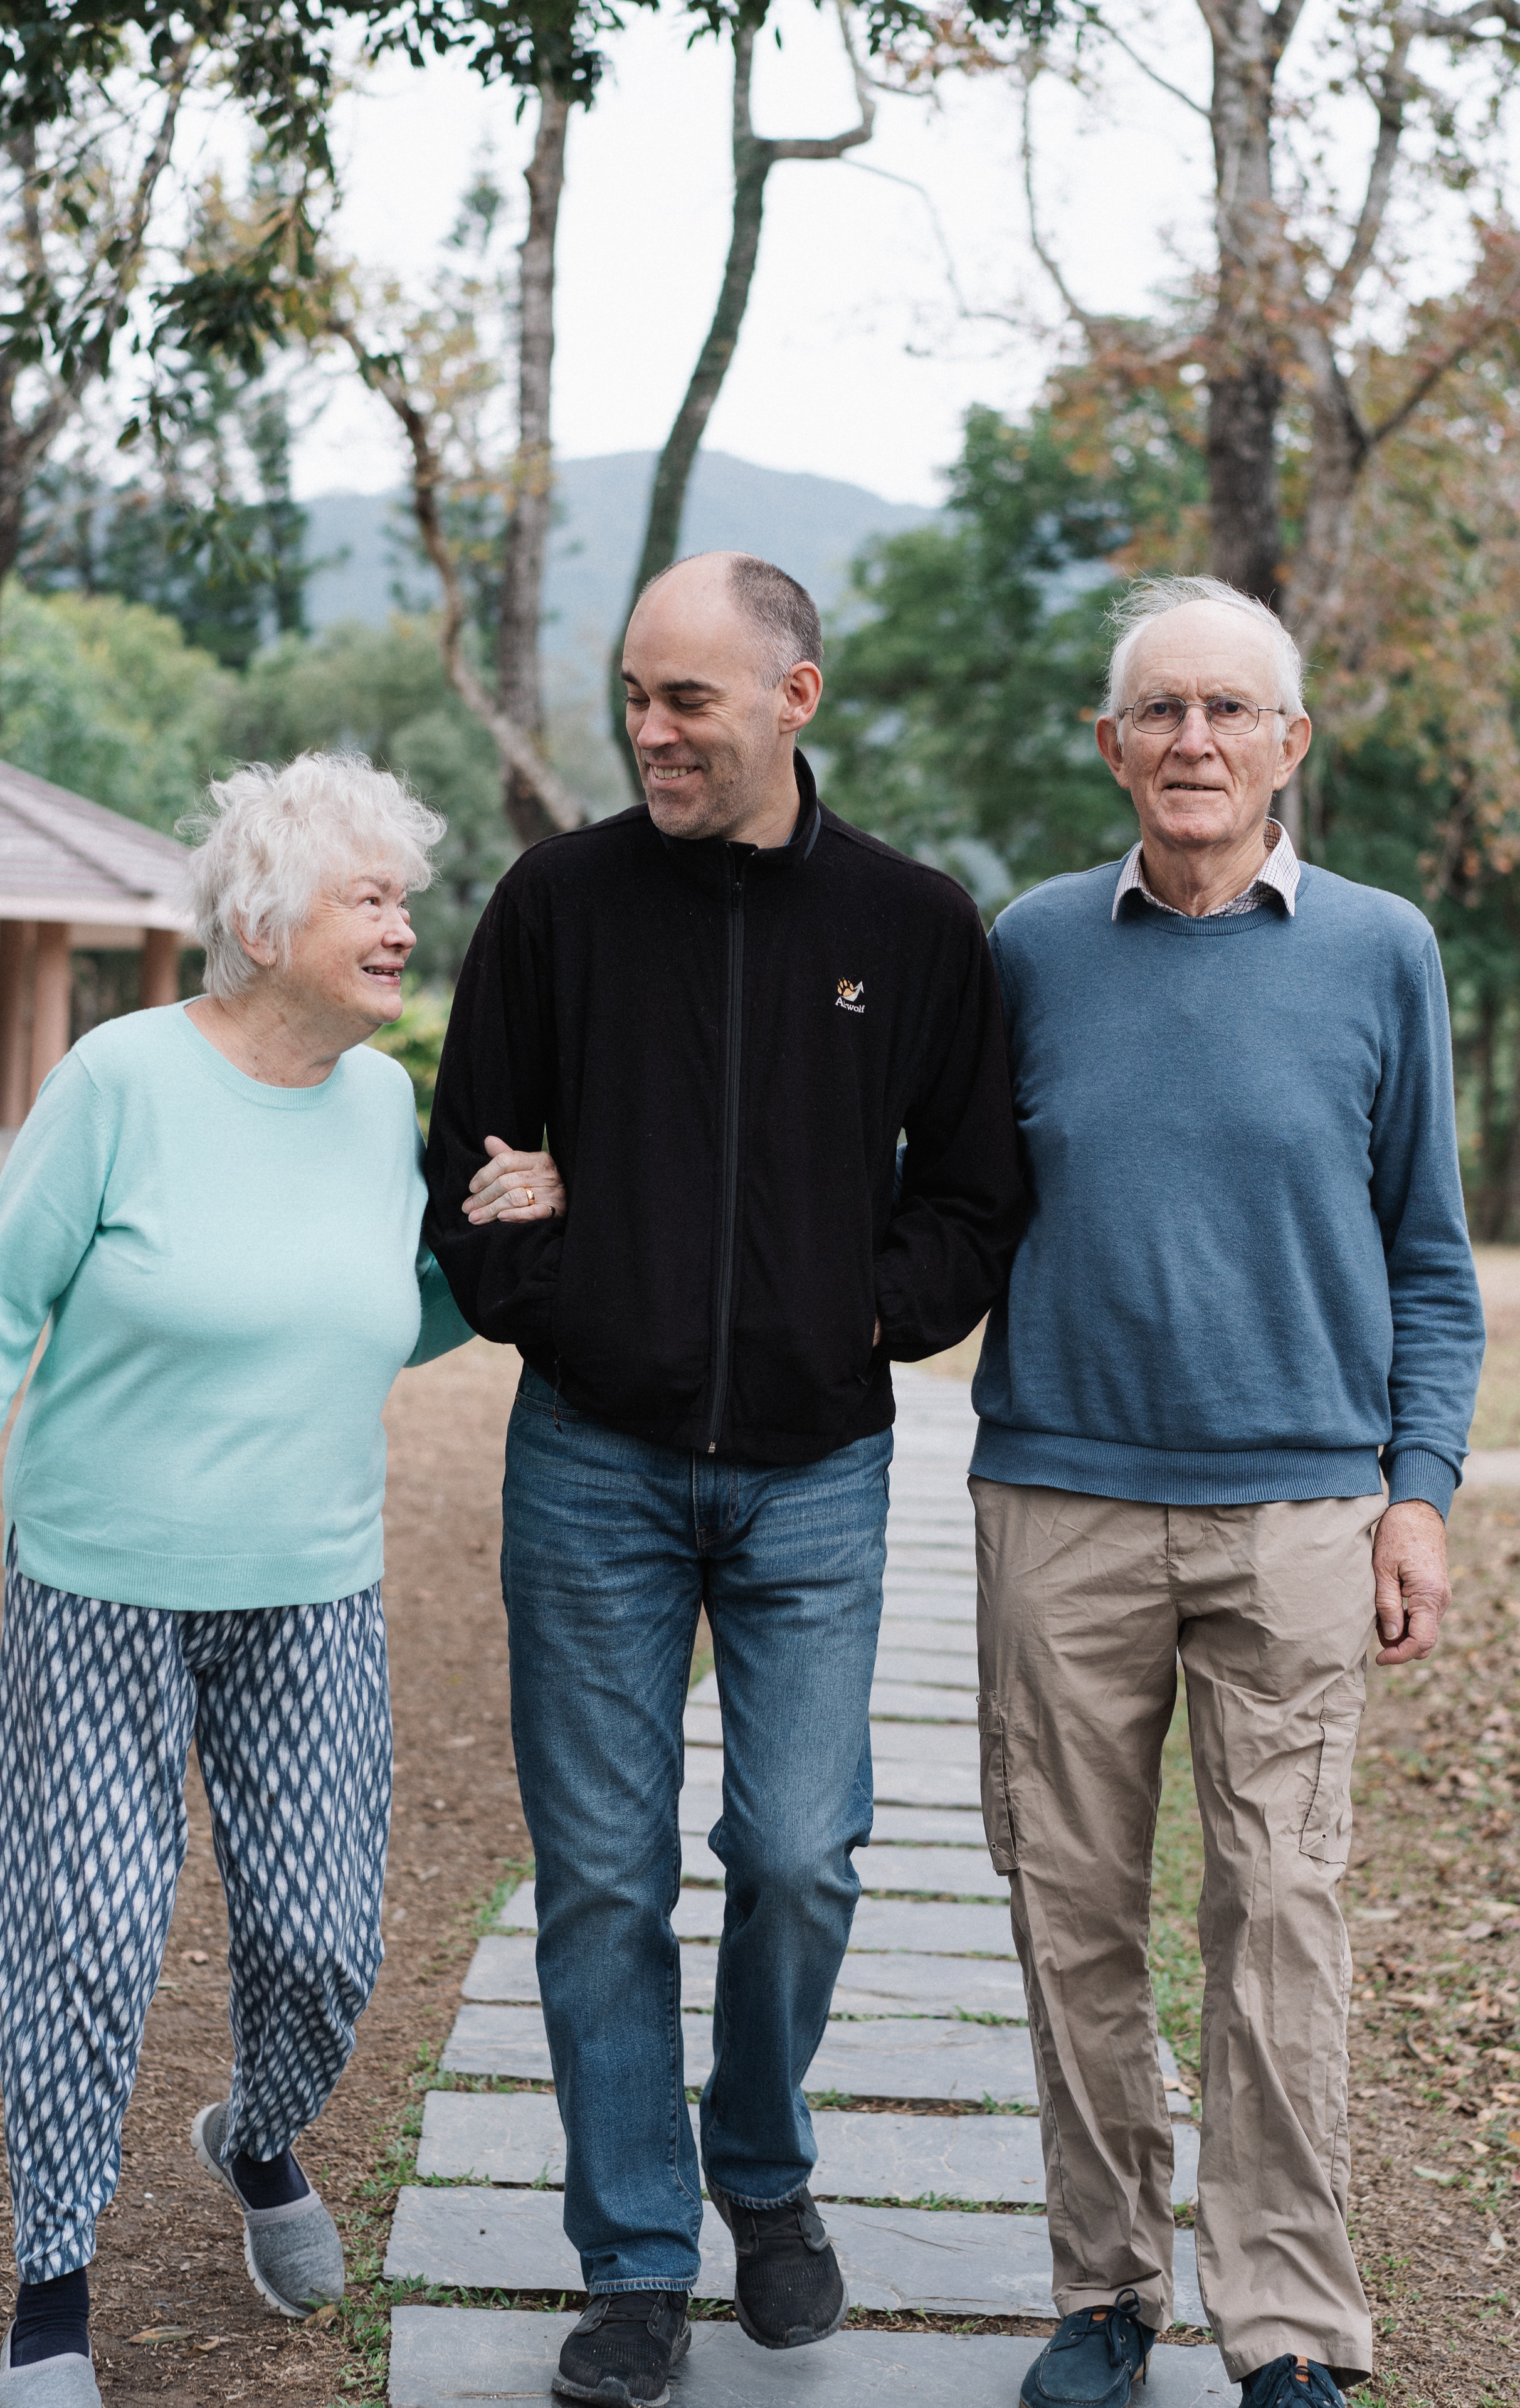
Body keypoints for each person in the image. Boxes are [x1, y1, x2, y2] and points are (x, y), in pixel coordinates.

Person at [425, 549, 1024, 2408]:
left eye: (686, 698)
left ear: (793, 697)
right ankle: (633, 2261)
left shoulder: (914, 924)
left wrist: (859, 1317)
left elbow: (976, 1195)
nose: (652, 731)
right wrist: (575, 1300)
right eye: (635, 695)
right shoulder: (557, 902)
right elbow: (472, 1164)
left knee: (796, 1851)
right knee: (602, 1878)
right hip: (590, 1462)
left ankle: (759, 2162)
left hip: (816, 1471)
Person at [0, 754, 565, 2408]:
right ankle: (51, 2294)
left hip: (311, 1591)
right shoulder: (120, 1081)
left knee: (324, 1942)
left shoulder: (379, 1106)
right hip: (100, 1583)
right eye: (371, 900)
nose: (403, 927)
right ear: (267, 926)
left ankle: (258, 2137)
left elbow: (384, 1318)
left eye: (405, 900)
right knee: (85, 1939)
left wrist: (497, 1238)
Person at [970, 577, 1485, 2408]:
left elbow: (1431, 1256)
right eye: (1162, 712)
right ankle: (1105, 2291)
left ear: (1289, 744)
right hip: (1061, 1500)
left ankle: (1284, 2324)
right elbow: (936, 1196)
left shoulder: (1381, 951)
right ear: (1112, 745)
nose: (1195, 741)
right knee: (1071, 1912)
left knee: (1280, 1916)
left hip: (1300, 1514)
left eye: (1230, 711)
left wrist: (1416, 1494)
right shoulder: (1029, 948)